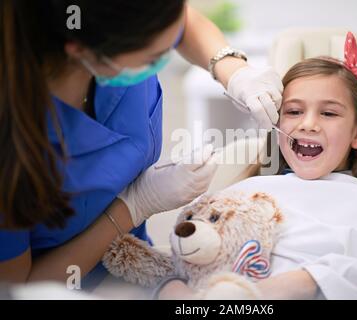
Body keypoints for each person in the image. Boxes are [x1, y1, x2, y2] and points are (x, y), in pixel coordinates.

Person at [0, 0, 283, 289]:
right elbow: (18, 288)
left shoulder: (121, 32)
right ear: (82, 50)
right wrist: (133, 206)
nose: (168, 52)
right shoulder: (13, 141)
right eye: (156, 56)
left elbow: (179, 21)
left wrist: (233, 70)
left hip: (136, 264)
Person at [157, 32, 357, 299]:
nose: (308, 124)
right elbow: (191, 257)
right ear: (276, 123)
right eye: (293, 111)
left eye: (328, 113)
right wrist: (173, 289)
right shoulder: (241, 197)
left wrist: (312, 280)